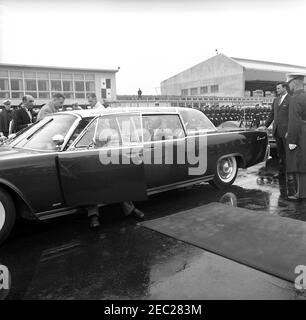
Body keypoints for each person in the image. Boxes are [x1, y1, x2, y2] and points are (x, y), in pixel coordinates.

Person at [260, 82, 290, 177]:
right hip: (277, 131)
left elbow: (292, 117)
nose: (277, 90)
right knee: (280, 153)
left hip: (286, 132)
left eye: (278, 88)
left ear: (285, 88)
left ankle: (290, 173)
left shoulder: (291, 99)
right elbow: (272, 114)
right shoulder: (276, 100)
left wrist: (289, 130)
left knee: (288, 153)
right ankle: (282, 172)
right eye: (276, 88)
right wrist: (265, 125)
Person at [286, 73, 306, 200]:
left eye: (289, 84)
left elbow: (294, 121)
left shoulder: (295, 98)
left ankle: (301, 194)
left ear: (294, 83)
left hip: (300, 134)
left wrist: (292, 140)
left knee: (300, 164)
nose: (289, 87)